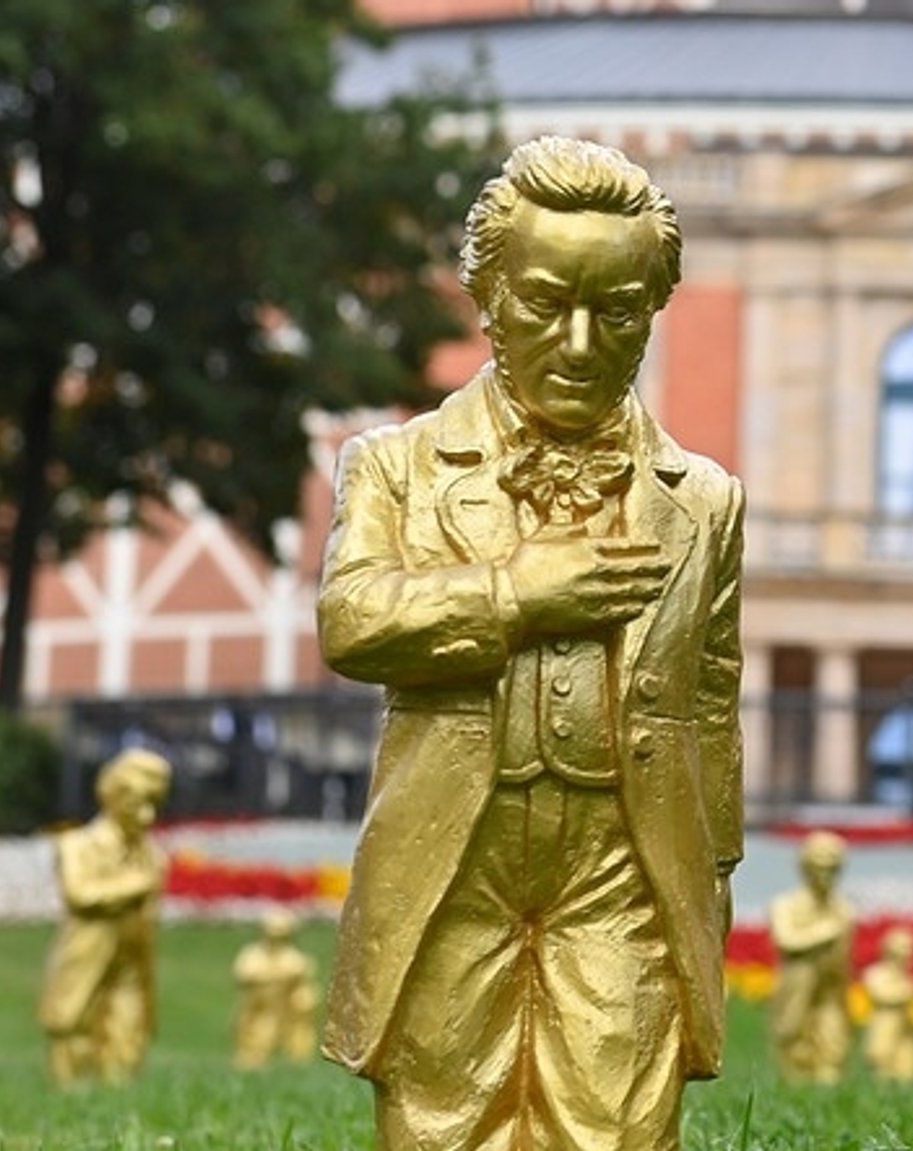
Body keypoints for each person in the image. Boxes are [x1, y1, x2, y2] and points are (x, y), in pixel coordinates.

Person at [316, 136, 745, 1150]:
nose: (584, 341)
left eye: (621, 311)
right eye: (548, 302)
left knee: (616, 1123)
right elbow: (353, 618)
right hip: (455, 847)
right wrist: (516, 592)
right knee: (440, 1113)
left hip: (623, 858)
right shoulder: (398, 467)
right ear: (488, 295)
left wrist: (713, 862)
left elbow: (709, 693)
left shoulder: (704, 502)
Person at [39, 748, 172, 1085]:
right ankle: (71, 1092)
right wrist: (133, 886)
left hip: (132, 958)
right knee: (75, 1024)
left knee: (128, 1028)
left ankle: (119, 1094)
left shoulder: (153, 856)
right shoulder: (76, 845)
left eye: (153, 804)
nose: (146, 817)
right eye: (137, 804)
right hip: (88, 951)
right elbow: (80, 895)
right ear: (112, 797)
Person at [770, 830, 856, 1085]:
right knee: (793, 1036)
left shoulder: (844, 910)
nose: (825, 876)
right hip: (797, 984)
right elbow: (786, 940)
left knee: (832, 1038)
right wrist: (823, 932)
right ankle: (796, 1081)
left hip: (830, 987)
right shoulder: (785, 905)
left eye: (832, 869)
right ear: (805, 869)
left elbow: (843, 956)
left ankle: (827, 1079)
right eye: (818, 868)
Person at [233, 910, 316, 1071]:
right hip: (258, 1006)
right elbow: (243, 975)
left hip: (283, 1007)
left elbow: (304, 988)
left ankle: (295, 1064)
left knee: (294, 1034)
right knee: (255, 1035)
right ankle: (251, 1062)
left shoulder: (293, 958)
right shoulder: (253, 954)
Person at [861, 926, 913, 1083]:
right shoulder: (875, 974)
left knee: (906, 1059)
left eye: (911, 947)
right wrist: (903, 994)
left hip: (904, 1024)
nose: (908, 951)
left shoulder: (907, 977)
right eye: (903, 947)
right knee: (882, 1055)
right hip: (885, 1020)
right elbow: (881, 995)